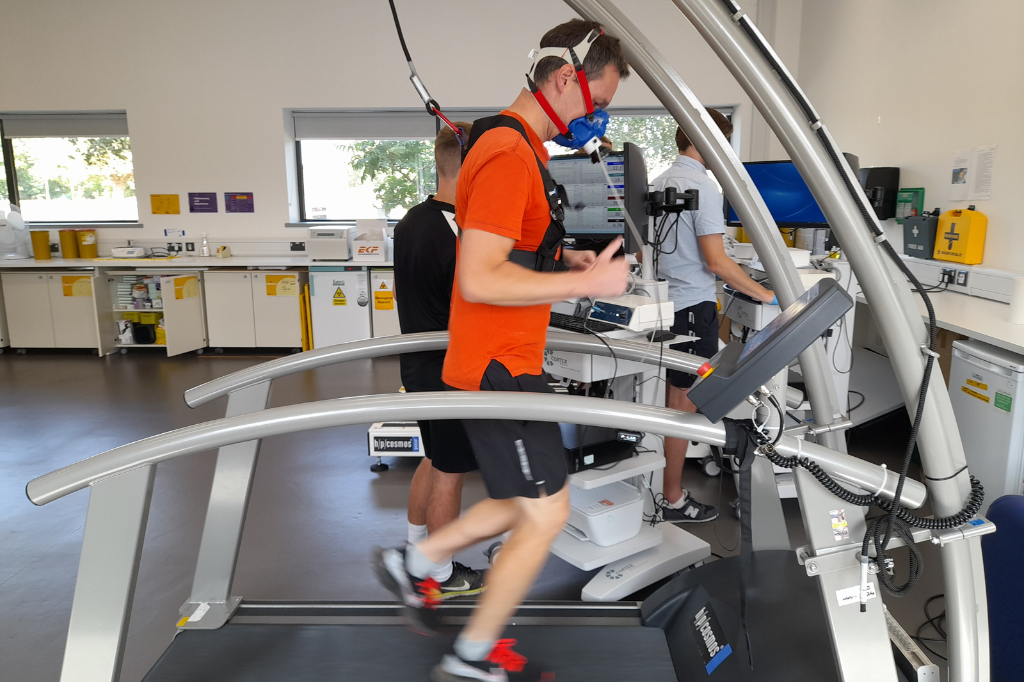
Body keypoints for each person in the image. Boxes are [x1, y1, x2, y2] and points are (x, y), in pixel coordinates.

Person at [376, 19, 630, 681]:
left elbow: (505, 249)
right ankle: (470, 649)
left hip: (509, 363)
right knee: (545, 514)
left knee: (533, 504)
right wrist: (587, 281)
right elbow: (479, 275)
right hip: (497, 368)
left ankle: (424, 565)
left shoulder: (522, 150)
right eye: (597, 102)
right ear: (562, 80)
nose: (597, 118)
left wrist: (561, 255)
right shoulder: (507, 152)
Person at [651, 109, 776, 523]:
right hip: (692, 307)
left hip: (668, 304)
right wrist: (766, 294)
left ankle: (674, 487)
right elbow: (717, 263)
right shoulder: (702, 187)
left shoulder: (659, 181)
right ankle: (672, 499)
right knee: (682, 406)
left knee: (681, 400)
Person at [393, 122, 487, 600]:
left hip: (419, 365)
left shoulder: (411, 220)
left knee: (432, 457)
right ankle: (441, 572)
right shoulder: (456, 229)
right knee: (451, 470)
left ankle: (415, 548)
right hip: (450, 370)